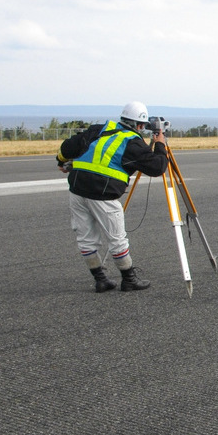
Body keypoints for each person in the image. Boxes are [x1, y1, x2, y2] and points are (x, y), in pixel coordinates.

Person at [56, 101, 168, 292]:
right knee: (117, 238)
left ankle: (100, 279)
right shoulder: (132, 142)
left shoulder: (99, 129)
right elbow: (157, 167)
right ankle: (129, 279)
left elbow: (67, 147)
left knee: (86, 238)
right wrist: (160, 145)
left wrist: (62, 161)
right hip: (103, 194)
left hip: (77, 188)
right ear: (140, 125)